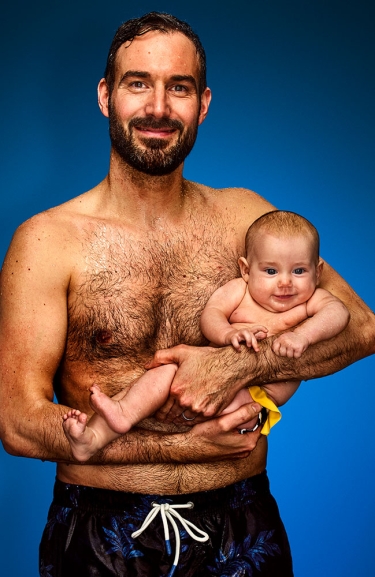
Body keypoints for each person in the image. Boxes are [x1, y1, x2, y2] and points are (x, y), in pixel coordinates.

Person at [0, 11, 374, 577]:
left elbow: (362, 327)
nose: (157, 107)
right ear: (106, 96)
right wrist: (179, 450)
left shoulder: (247, 219)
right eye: (137, 84)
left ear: (203, 103)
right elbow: (17, 420)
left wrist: (231, 367)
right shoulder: (47, 241)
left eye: (179, 87)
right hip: (98, 531)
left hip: (240, 523)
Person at [62, 210, 350, 463]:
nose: (285, 282)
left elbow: (339, 314)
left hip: (254, 397)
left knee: (233, 414)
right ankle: (100, 432)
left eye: (299, 270)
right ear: (247, 270)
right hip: (199, 377)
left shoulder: (312, 301)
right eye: (271, 271)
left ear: (318, 271)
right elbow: (210, 316)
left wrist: (303, 335)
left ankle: (118, 422)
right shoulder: (240, 291)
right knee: (162, 375)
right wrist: (228, 332)